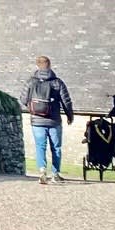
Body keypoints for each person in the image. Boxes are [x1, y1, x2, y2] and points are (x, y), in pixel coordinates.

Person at [23, 56, 76, 184]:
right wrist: (70, 115)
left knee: (40, 146)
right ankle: (55, 173)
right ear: (50, 65)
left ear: (37, 65)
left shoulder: (31, 82)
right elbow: (66, 101)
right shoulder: (57, 82)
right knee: (56, 147)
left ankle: (42, 171)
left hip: (37, 120)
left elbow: (23, 99)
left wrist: (33, 109)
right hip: (54, 120)